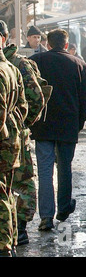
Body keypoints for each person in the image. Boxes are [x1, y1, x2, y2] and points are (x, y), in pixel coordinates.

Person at [29, 29, 86, 231]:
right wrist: (78, 124)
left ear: (48, 44)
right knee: (65, 168)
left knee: (45, 171)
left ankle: (46, 216)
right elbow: (85, 100)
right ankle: (63, 209)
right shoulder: (79, 64)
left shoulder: (36, 61)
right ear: (66, 45)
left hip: (43, 125)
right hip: (68, 125)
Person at [2, 20, 50, 246]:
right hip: (13, 131)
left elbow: (36, 100)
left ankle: (19, 228)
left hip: (14, 136)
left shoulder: (19, 64)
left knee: (21, 184)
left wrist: (20, 125)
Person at [0, 42, 28, 257]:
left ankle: (4, 246)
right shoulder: (11, 68)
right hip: (11, 140)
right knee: (7, 193)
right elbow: (25, 105)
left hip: (2, 141)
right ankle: (12, 241)